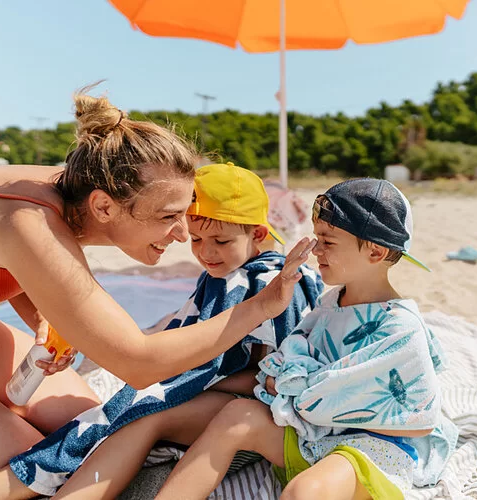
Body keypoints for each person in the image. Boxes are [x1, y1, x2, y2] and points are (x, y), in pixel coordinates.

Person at [0, 86, 314, 499]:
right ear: (104, 207)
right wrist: (264, 304)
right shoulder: (27, 220)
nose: (183, 235)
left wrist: (43, 318)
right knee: (32, 468)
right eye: (169, 216)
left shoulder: (74, 186)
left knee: (90, 436)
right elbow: (138, 364)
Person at [155, 178, 451, 500]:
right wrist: (291, 382)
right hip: (313, 436)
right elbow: (293, 355)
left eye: (328, 242)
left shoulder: (401, 327)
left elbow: (418, 419)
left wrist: (311, 395)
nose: (315, 250)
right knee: (236, 417)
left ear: (376, 251)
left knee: (305, 491)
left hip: (370, 452)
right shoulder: (332, 302)